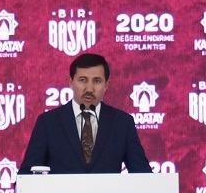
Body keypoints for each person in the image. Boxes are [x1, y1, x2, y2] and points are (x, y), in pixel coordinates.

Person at [20, 52, 152, 176]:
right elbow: (26, 177)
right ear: (71, 82)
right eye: (82, 80)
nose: (89, 88)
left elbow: (144, 176)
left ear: (106, 85)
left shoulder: (122, 123)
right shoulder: (48, 122)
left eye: (97, 81)